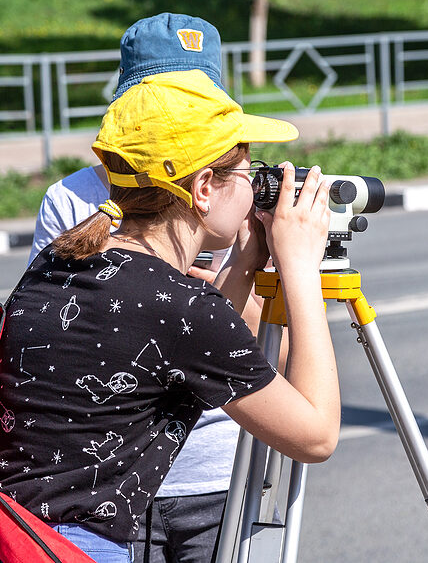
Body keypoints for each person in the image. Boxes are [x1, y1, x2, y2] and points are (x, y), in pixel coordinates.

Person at [0, 66, 340, 563]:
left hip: (21, 536)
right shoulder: (181, 306)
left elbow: (178, 349)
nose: (256, 189)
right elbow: (316, 436)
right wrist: (301, 268)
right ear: (203, 189)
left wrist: (246, 262)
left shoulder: (62, 259)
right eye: (249, 173)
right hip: (84, 551)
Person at [25, 13, 277, 563]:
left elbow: (257, 343)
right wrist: (171, 300)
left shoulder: (234, 190)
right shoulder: (72, 202)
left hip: (215, 463)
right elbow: (70, 346)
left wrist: (218, 298)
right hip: (118, 470)